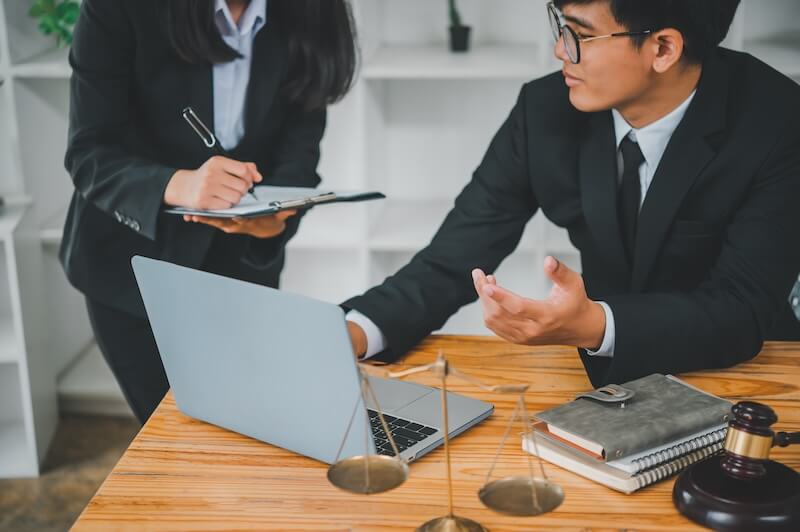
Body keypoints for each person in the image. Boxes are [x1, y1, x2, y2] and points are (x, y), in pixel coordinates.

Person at [344, 0, 800, 387]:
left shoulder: (777, 122)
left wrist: (594, 325)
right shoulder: (543, 111)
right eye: (559, 25)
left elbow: (740, 307)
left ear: (662, 48)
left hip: (747, 379)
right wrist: (355, 332)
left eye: (579, 33)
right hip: (605, 382)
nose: (560, 50)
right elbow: (453, 257)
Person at [60, 0, 357, 423]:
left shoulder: (307, 12)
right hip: (133, 271)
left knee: (244, 430)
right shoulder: (119, 7)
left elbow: (299, 157)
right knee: (173, 438)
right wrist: (178, 184)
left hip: (241, 270)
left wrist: (273, 225)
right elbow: (89, 152)